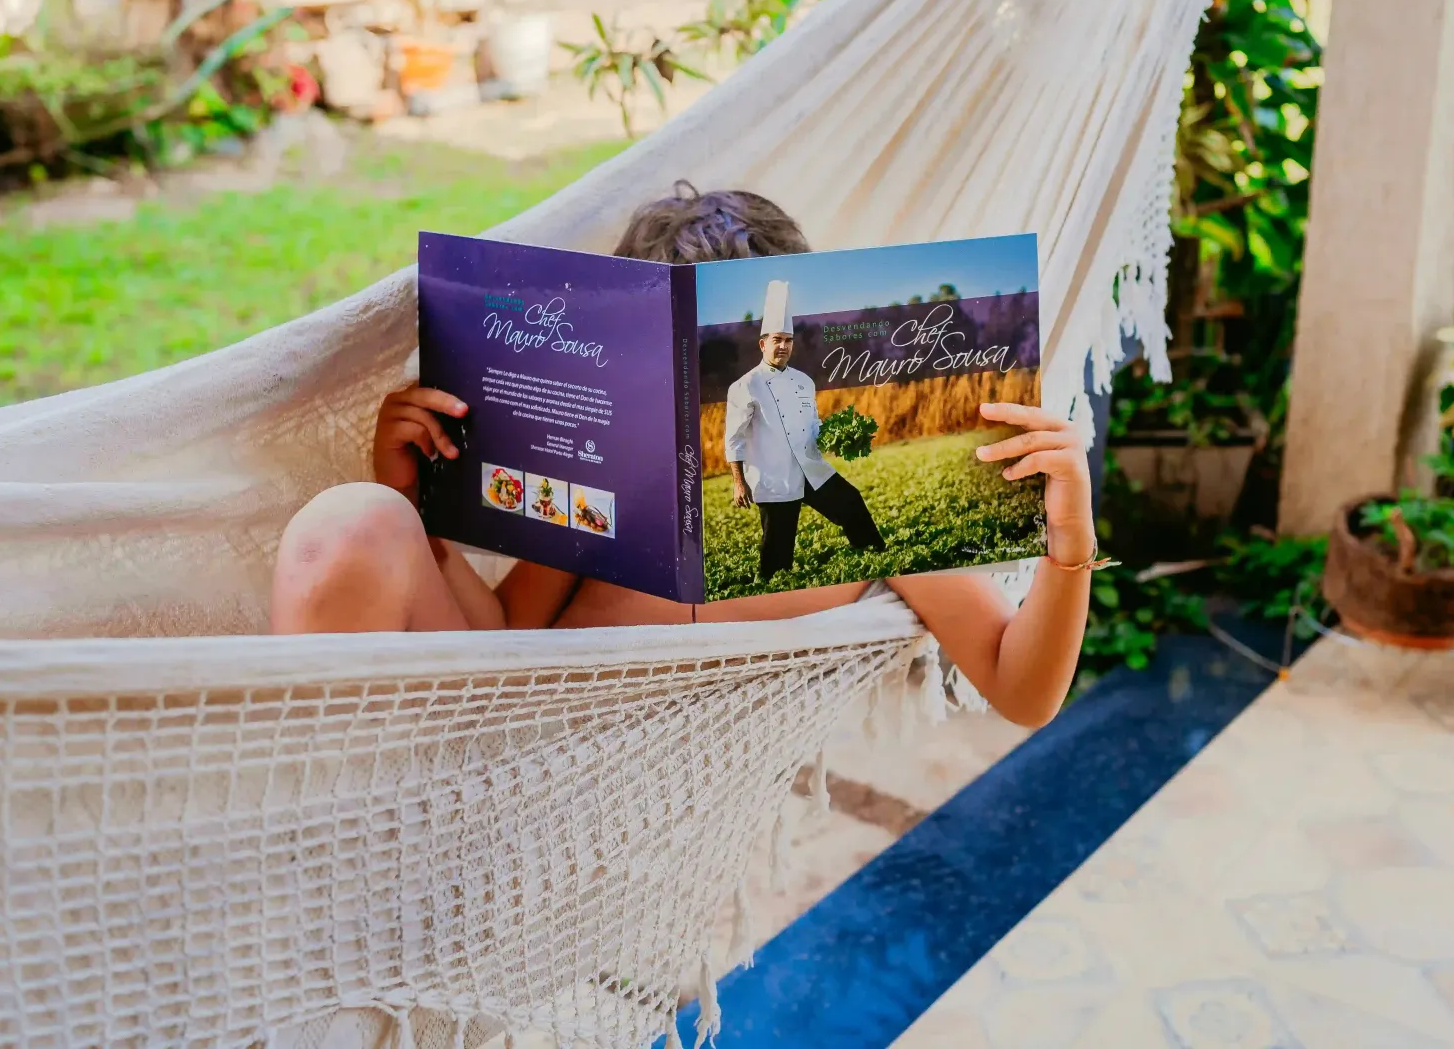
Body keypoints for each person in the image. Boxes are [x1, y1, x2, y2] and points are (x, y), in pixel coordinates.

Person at [270, 182, 1104, 728]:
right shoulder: (616, 493)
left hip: (635, 805)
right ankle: (322, 824)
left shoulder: (871, 507)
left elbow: (1020, 687)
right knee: (352, 524)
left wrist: (1070, 543)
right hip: (510, 744)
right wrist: (422, 517)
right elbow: (500, 638)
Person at [724, 279, 885, 579]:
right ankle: (770, 589)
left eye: (788, 340)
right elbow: (733, 438)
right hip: (775, 476)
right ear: (763, 344)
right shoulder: (745, 386)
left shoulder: (804, 381)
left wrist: (841, 436)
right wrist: (738, 482)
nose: (783, 346)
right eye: (776, 340)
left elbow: (813, 425)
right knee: (778, 552)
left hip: (810, 469)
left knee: (851, 503)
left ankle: (878, 559)